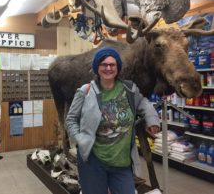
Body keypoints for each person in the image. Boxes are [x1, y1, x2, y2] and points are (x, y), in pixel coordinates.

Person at [65, 46, 160, 194]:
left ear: (117, 67)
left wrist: (152, 120)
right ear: (97, 68)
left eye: (112, 64)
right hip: (93, 162)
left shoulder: (129, 89)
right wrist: (79, 138)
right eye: (104, 64)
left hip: (122, 163)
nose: (108, 68)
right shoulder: (86, 91)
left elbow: (143, 104)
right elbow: (71, 119)